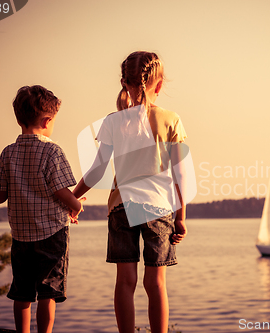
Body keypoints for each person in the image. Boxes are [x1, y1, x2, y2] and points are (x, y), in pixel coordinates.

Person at [73, 51, 189, 333]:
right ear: (159, 86)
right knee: (156, 283)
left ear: (124, 82)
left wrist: (72, 196)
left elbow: (97, 171)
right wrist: (181, 216)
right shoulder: (171, 119)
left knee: (125, 281)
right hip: (158, 209)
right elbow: (180, 174)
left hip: (121, 207)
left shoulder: (113, 121)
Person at [0, 85, 85, 333]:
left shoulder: (8, 153)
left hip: (21, 237)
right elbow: (61, 191)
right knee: (48, 292)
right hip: (51, 234)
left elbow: (2, 194)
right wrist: (76, 206)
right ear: (47, 120)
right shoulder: (52, 151)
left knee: (22, 292)